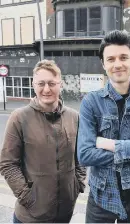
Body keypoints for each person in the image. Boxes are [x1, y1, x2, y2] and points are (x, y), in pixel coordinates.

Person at [77, 30, 130, 223]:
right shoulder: (91, 102)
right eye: (111, 59)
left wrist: (108, 144)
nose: (118, 64)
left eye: (124, 57)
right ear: (103, 64)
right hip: (101, 193)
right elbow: (84, 154)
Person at [0, 60, 86, 223]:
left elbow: (80, 154)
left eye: (52, 83)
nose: (46, 89)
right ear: (34, 85)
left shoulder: (74, 117)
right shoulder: (19, 117)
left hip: (64, 213)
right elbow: (7, 164)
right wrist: (28, 198)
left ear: (60, 85)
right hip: (30, 217)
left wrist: (77, 184)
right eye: (41, 83)